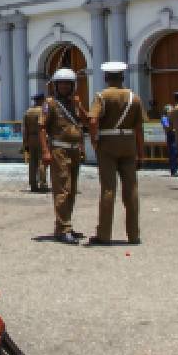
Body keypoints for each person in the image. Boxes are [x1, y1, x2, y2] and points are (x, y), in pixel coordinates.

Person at [87, 62, 144, 245]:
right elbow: (139, 128)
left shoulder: (102, 96)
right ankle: (133, 234)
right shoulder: (134, 98)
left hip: (108, 143)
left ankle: (104, 234)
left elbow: (93, 119)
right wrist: (141, 153)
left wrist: (94, 140)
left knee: (108, 189)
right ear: (122, 77)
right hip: (129, 143)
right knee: (132, 188)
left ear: (106, 78)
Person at [42, 68, 87, 244]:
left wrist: (79, 106)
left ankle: (64, 225)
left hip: (74, 150)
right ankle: (63, 228)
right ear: (55, 85)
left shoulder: (74, 104)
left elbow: (85, 121)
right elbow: (42, 128)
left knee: (72, 189)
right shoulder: (50, 104)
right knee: (62, 189)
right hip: (59, 150)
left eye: (68, 84)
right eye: (61, 84)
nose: (64, 87)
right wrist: (46, 151)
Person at [22, 93, 49, 192]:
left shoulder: (28, 111)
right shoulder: (44, 111)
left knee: (32, 161)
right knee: (42, 160)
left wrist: (25, 143)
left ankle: (33, 184)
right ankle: (43, 183)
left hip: (31, 138)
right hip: (41, 137)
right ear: (42, 100)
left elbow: (25, 129)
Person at [162, 106, 178, 177]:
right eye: (170, 111)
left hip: (176, 136)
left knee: (177, 152)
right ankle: (173, 171)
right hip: (171, 136)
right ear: (166, 111)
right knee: (173, 153)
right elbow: (167, 127)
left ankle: (176, 169)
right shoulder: (164, 118)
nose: (172, 112)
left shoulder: (173, 118)